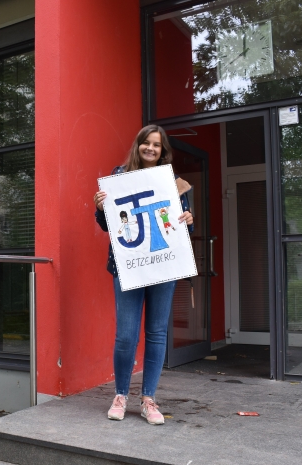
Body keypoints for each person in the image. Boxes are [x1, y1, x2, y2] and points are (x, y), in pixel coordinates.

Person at [93, 125, 193, 425]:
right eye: (146, 143)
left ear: (163, 151)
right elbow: (108, 225)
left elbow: (181, 229)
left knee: (157, 333)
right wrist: (100, 209)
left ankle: (149, 399)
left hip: (163, 266)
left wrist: (188, 220)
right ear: (138, 145)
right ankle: (121, 395)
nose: (151, 149)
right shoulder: (119, 176)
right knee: (126, 335)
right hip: (129, 266)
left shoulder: (173, 184)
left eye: (157, 145)